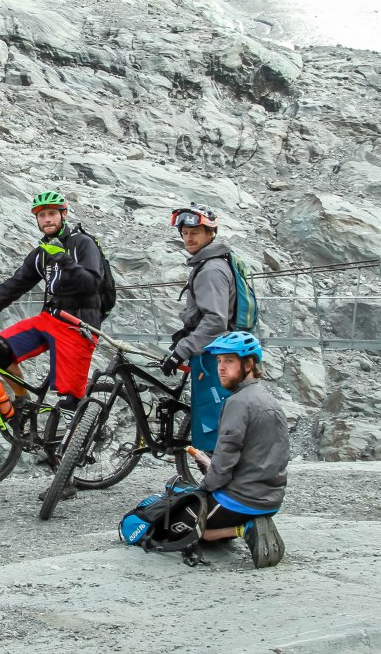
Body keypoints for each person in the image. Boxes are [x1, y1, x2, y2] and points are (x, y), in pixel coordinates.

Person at [0, 191, 109, 447]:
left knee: (68, 405)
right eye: (42, 215)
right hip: (49, 319)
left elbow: (92, 284)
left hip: (80, 324)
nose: (47, 219)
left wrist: (65, 260)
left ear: (63, 215)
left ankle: (65, 478)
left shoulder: (82, 243)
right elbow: (12, 287)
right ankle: (24, 402)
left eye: (52, 214)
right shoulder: (41, 253)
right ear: (37, 220)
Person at [188, 331, 287, 568]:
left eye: (229, 361)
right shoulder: (269, 400)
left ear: (249, 363)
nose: (221, 368)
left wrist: (203, 490)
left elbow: (224, 463)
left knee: (183, 528)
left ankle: (245, 528)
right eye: (219, 361)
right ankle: (250, 523)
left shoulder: (237, 403)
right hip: (271, 500)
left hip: (239, 501)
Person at [161, 203, 237, 453]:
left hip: (214, 355)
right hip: (216, 350)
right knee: (213, 415)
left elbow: (216, 321)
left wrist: (182, 349)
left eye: (195, 232)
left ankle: (221, 482)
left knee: (212, 420)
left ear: (210, 233)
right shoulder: (212, 263)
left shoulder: (211, 270)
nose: (188, 237)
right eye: (184, 232)